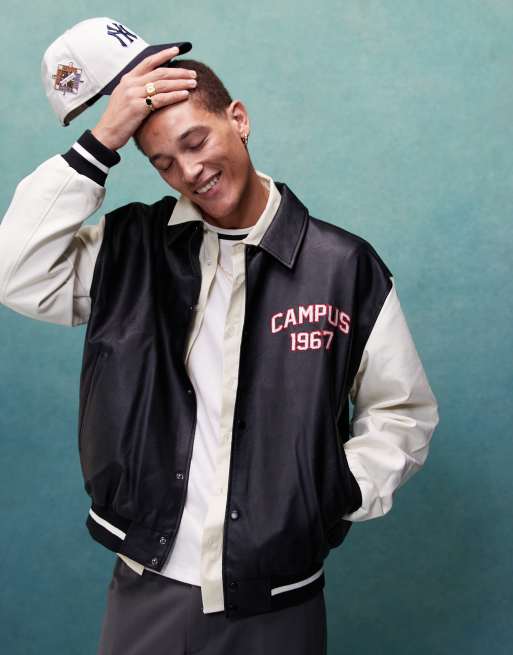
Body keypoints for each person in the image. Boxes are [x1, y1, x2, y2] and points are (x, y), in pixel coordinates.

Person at [0, 45, 439, 655]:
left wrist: (332, 492)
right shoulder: (129, 250)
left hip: (279, 596)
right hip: (147, 586)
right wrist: (102, 140)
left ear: (239, 118)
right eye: (164, 162)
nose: (190, 171)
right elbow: (16, 272)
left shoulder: (343, 267)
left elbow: (402, 412)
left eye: (196, 141)